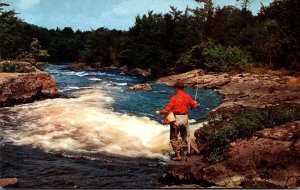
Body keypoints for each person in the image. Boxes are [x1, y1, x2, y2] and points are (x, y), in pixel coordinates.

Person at [156, 79, 198, 161]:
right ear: (182, 88)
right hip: (185, 118)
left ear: (176, 88)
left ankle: (178, 155)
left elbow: (167, 110)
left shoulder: (174, 97)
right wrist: (194, 103)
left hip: (176, 119)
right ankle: (191, 150)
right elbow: (194, 106)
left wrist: (159, 112)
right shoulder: (187, 96)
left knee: (174, 138)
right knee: (185, 136)